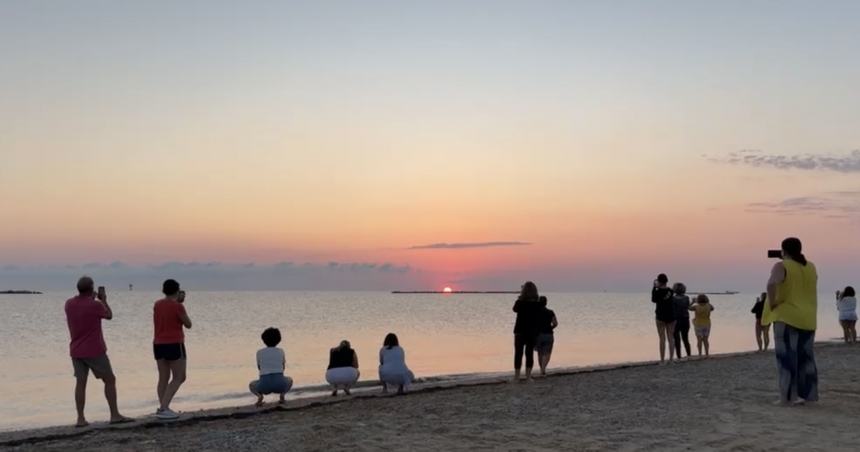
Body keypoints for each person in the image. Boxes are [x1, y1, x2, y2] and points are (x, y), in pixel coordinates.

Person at [64, 277, 132, 427]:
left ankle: (80, 418)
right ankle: (114, 415)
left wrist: (92, 299)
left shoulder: (69, 304)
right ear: (91, 288)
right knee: (109, 380)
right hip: (94, 349)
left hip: (76, 350)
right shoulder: (95, 305)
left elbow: (82, 308)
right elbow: (109, 315)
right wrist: (103, 300)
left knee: (80, 383)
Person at [766, 237, 818, 405]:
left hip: (787, 316)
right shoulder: (811, 266)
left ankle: (788, 397)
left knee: (786, 357)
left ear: (783, 250)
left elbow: (771, 284)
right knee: (806, 358)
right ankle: (808, 394)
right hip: (808, 317)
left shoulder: (781, 266)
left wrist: (773, 303)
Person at [153, 280, 192, 419]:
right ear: (177, 291)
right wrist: (180, 304)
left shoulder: (157, 304)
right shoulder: (177, 306)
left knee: (163, 377)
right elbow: (188, 324)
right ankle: (164, 408)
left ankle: (163, 407)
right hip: (174, 343)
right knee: (179, 377)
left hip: (158, 343)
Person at [249, 327, 293, 406]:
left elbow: (259, 368)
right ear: (279, 339)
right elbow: (283, 367)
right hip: (280, 384)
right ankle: (282, 395)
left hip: (264, 385)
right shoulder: (281, 351)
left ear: (264, 340)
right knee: (290, 380)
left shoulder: (259, 352)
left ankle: (259, 396)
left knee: (251, 385)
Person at [512, 281, 542, 380]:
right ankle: (528, 376)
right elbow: (538, 318)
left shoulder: (519, 303)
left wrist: (520, 297)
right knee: (529, 353)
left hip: (520, 331)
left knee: (518, 353)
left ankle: (517, 376)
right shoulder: (537, 304)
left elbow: (514, 309)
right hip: (532, 331)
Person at [651, 274, 676, 363]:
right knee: (671, 337)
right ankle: (671, 359)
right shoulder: (671, 291)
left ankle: (662, 360)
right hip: (671, 316)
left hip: (660, 316)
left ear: (659, 282)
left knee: (662, 338)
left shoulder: (657, 292)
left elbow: (653, 300)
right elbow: (671, 291)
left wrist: (654, 287)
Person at [535, 296, 559, 376]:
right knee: (547, 353)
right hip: (549, 334)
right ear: (546, 303)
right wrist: (551, 328)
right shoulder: (550, 312)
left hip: (538, 335)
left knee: (540, 353)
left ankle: (542, 369)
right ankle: (543, 369)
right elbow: (555, 323)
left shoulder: (535, 312)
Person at [671, 283, 692, 359]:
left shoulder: (672, 299)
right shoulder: (686, 298)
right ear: (683, 289)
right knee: (686, 338)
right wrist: (693, 302)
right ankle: (689, 355)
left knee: (677, 340)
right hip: (685, 320)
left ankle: (679, 356)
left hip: (676, 320)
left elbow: (672, 310)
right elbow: (687, 307)